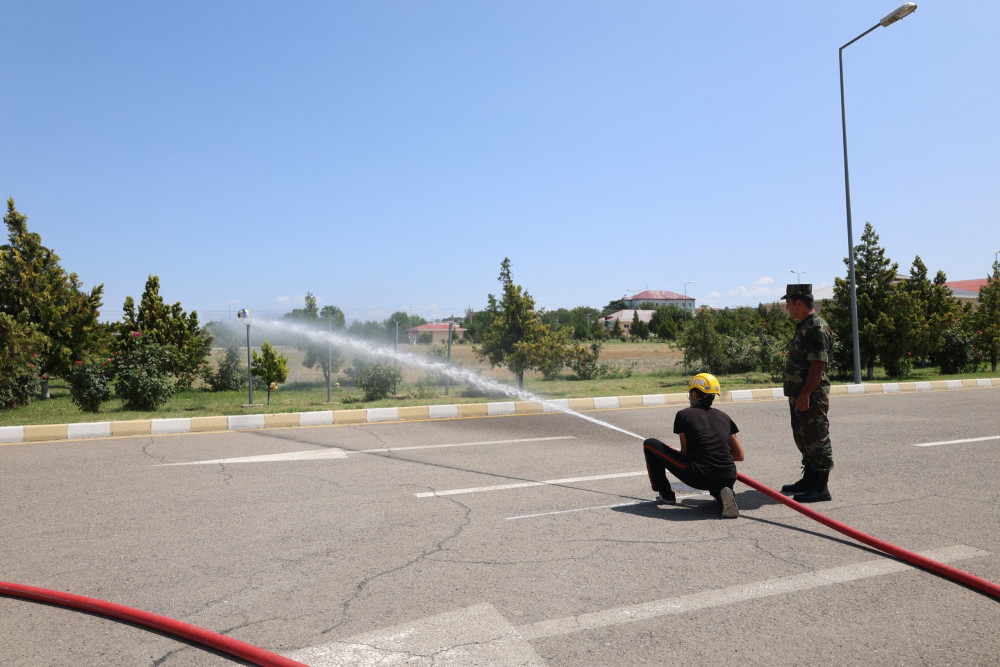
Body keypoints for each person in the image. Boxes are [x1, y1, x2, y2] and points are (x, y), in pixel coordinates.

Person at [643, 373, 745, 518]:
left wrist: (675, 453)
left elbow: (685, 453)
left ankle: (666, 493)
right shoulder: (724, 417)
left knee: (650, 444)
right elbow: (739, 456)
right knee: (718, 481)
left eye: (690, 393)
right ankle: (725, 494)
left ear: (695, 394)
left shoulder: (683, 415)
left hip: (698, 475)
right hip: (728, 475)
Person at [780, 284, 836, 502]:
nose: (786, 307)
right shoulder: (804, 325)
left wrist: (805, 394)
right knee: (804, 438)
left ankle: (821, 488)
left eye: (788, 303)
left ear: (798, 303)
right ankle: (810, 480)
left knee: (817, 437)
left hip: (811, 395)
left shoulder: (815, 327)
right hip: (801, 393)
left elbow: (818, 365)